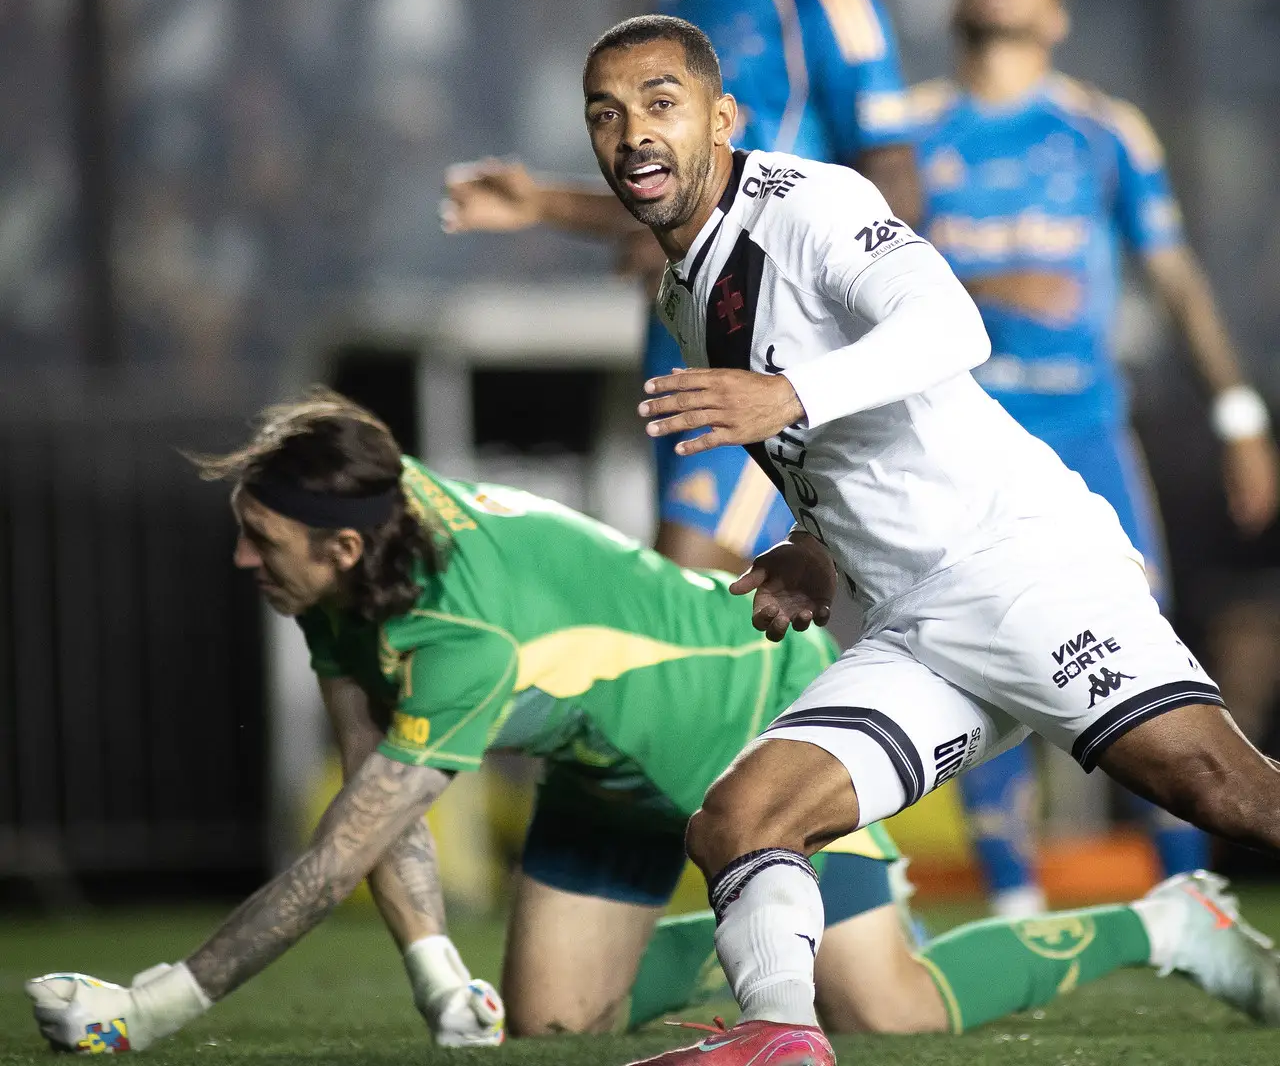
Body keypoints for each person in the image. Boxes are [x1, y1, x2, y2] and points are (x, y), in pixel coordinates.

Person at [23, 393, 1273, 1055]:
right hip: (597, 759)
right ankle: (742, 953)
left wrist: (158, 1005)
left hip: (728, 710)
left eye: (260, 536)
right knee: (560, 1025)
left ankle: (1168, 924)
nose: (240, 556)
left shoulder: (465, 635)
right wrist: (434, 971)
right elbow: (368, 782)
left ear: (343, 543)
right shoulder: (352, 552)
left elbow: (344, 845)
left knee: (890, 1010)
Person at [573, 14, 1280, 1066]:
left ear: (720, 119)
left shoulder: (808, 203)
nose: (633, 132)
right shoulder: (686, 285)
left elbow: (951, 329)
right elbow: (826, 440)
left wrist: (784, 393)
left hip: (1017, 568)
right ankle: (778, 1041)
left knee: (1226, 794)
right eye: (606, 113)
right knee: (739, 821)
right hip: (915, 623)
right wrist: (812, 543)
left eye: (660, 104)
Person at [445, 0, 920, 576]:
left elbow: (896, 184)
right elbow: (679, 191)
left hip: (765, 344)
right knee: (717, 617)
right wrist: (540, 205)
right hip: (680, 335)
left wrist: (830, 325)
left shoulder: (824, 1)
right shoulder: (680, 10)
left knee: (689, 591)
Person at [916, 0, 1279, 916]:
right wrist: (988, 278)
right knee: (970, 649)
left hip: (1083, 437)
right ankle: (1011, 901)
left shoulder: (1101, 131)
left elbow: (1173, 279)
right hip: (966, 443)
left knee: (1138, 649)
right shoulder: (902, 134)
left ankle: (1184, 895)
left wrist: (1238, 412)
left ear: (1056, 14)